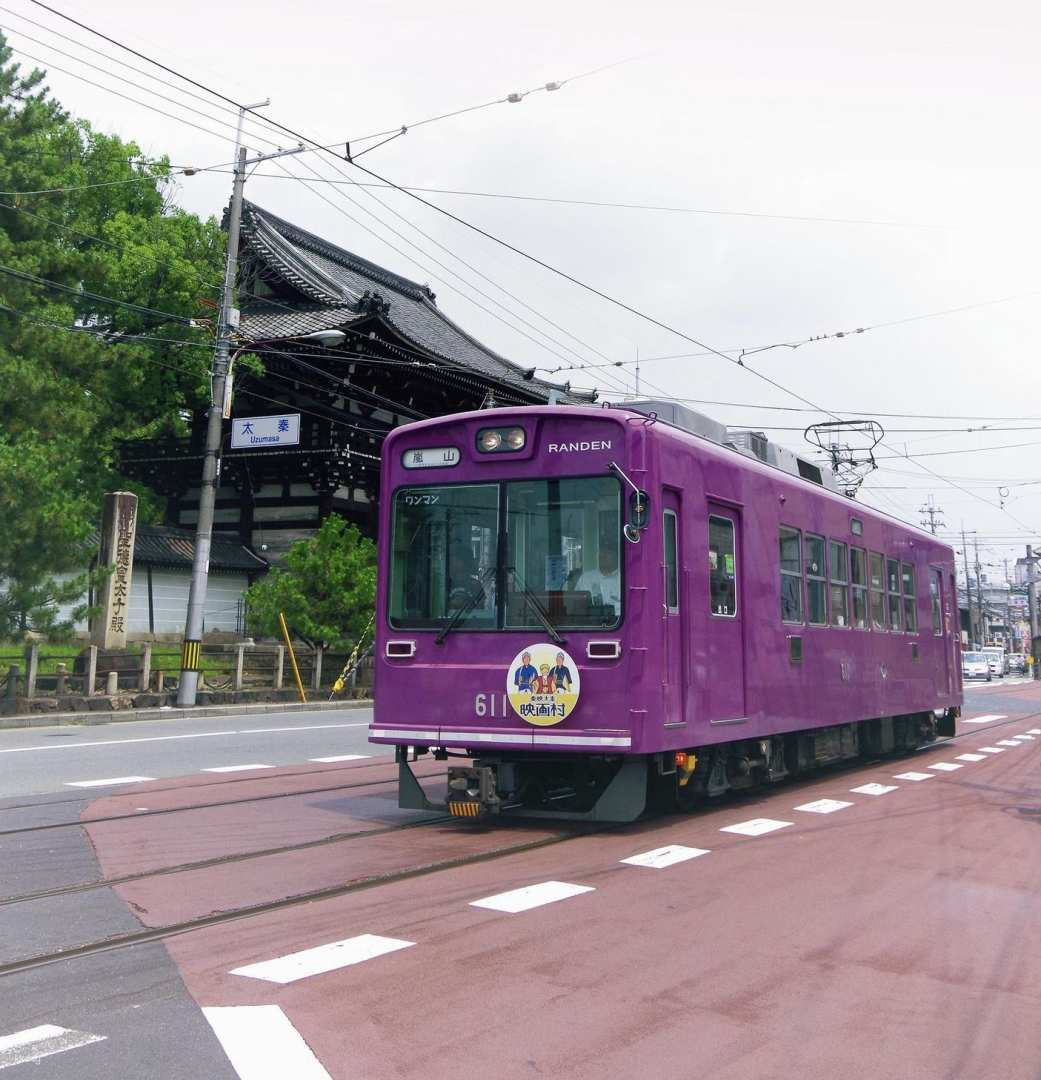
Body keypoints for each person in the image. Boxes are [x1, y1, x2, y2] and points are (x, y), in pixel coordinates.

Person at [574, 547, 621, 613]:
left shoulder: (624, 579)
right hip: (591, 621)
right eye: (601, 552)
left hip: (618, 621)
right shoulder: (586, 578)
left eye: (608, 553)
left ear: (617, 556)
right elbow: (575, 603)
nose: (603, 556)